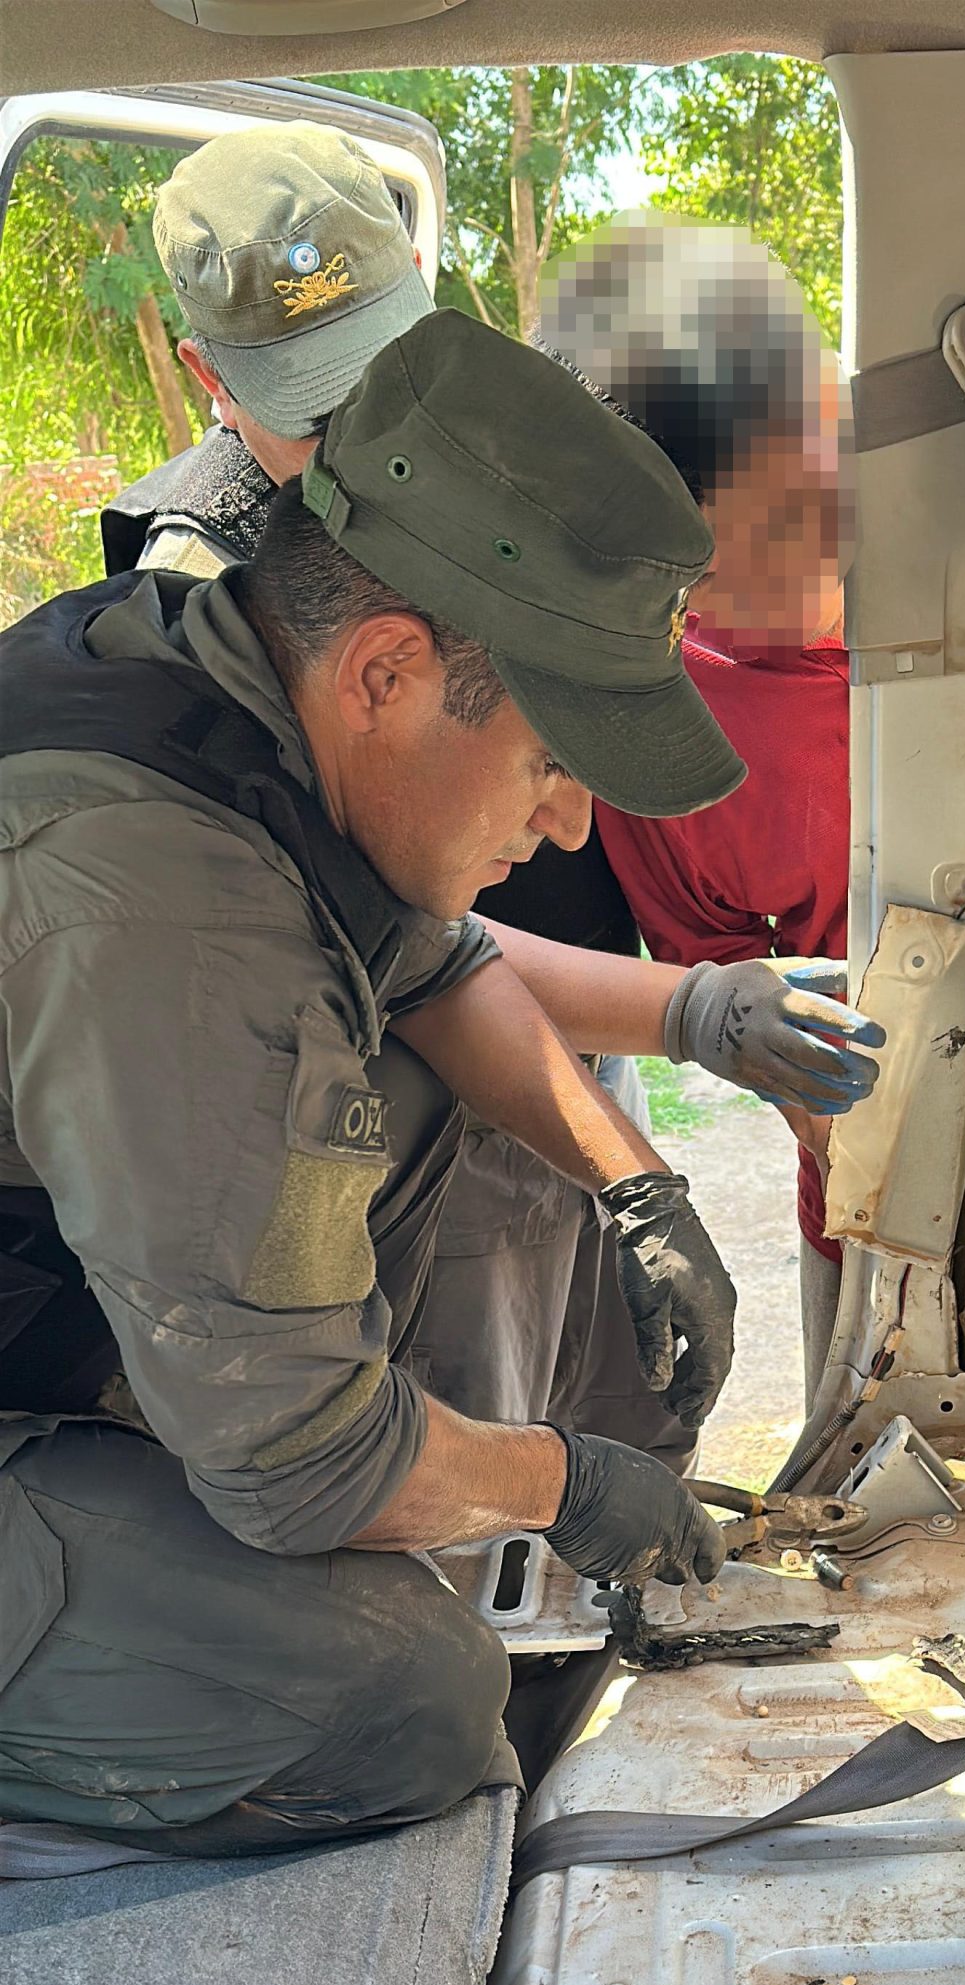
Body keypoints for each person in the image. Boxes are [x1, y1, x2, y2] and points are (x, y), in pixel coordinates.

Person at [0, 309, 752, 1860]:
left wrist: (638, 1190)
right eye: (552, 760)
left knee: (424, 1085)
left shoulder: (215, 678)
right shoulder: (171, 908)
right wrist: (559, 1483)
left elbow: (438, 968)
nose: (568, 826)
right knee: (405, 1699)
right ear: (389, 672)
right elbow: (299, 1470)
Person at [101, 122, 880, 1452]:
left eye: (377, 368)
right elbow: (389, 942)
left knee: (637, 1423)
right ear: (208, 376)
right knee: (493, 1474)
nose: (351, 437)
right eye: (307, 406)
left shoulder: (502, 457)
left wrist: (648, 1119)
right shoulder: (210, 593)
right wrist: (688, 1010)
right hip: (427, 1113)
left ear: (424, 291)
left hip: (577, 1056)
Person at [541, 218, 861, 1402]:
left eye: (807, 499)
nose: (800, 565)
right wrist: (816, 1110)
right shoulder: (669, 729)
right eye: (729, 562)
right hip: (863, 1220)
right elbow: (726, 975)